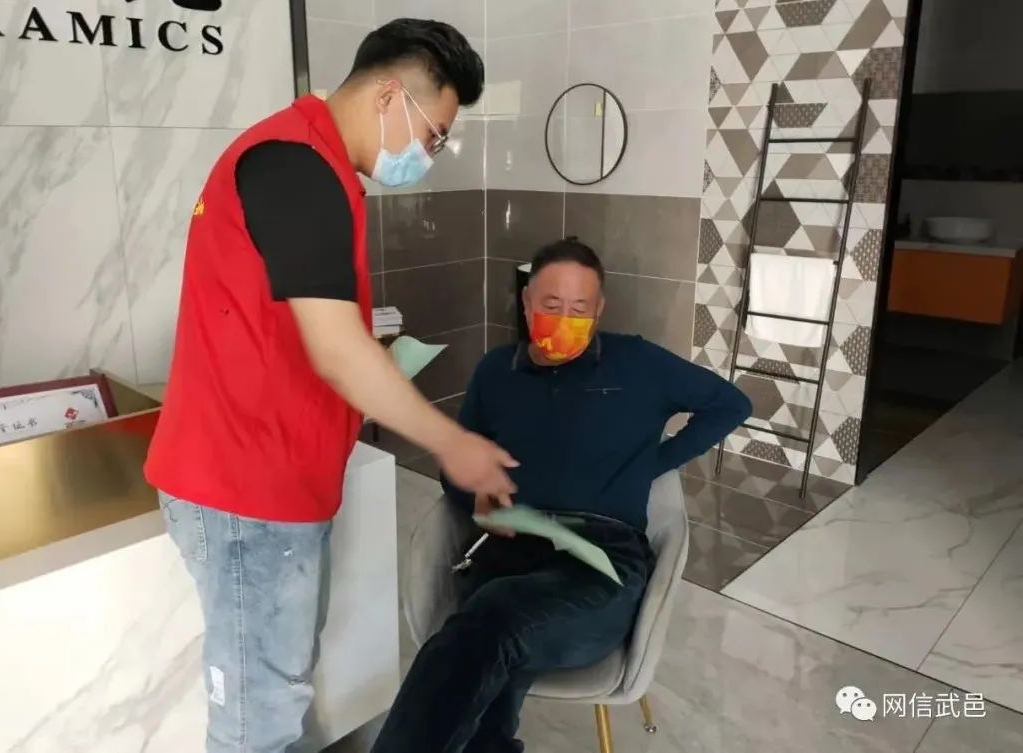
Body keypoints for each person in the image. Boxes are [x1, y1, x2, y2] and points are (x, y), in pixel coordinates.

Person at [144, 19, 516, 753]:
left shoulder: (310, 163)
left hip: (270, 482)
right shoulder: (295, 166)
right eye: (434, 135)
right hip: (245, 492)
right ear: (389, 95)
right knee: (257, 722)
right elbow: (338, 352)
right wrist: (452, 442)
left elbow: (304, 331)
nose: (428, 154)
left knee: (276, 693)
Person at [371, 239, 753, 753]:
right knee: (486, 649)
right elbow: (460, 464)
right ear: (527, 302)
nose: (564, 320)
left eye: (579, 309)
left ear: (599, 310)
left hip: (601, 563)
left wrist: (652, 463)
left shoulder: (637, 363)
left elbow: (731, 404)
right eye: (551, 305)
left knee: (489, 623)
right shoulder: (496, 371)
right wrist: (476, 499)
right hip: (510, 550)